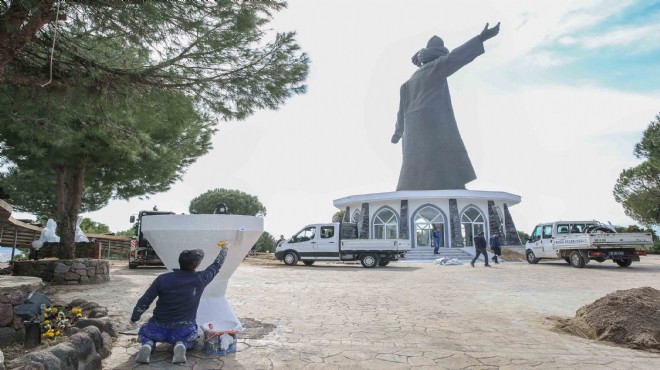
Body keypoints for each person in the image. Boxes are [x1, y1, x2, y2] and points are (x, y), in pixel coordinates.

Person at [391, 22, 500, 190]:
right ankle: (455, 192)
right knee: (445, 160)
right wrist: (481, 38)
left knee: (414, 168)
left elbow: (400, 113)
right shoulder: (436, 67)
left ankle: (409, 195)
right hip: (432, 122)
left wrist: (397, 133)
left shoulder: (407, 83)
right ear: (438, 54)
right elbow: (456, 57)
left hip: (411, 128)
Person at [129, 242, 229, 364]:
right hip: (183, 329)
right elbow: (216, 266)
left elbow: (145, 300)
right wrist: (224, 249)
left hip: (157, 327)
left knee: (145, 332)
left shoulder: (163, 279)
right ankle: (182, 344)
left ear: (180, 262)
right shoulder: (200, 278)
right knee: (192, 336)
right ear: (196, 265)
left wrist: (134, 318)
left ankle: (148, 344)